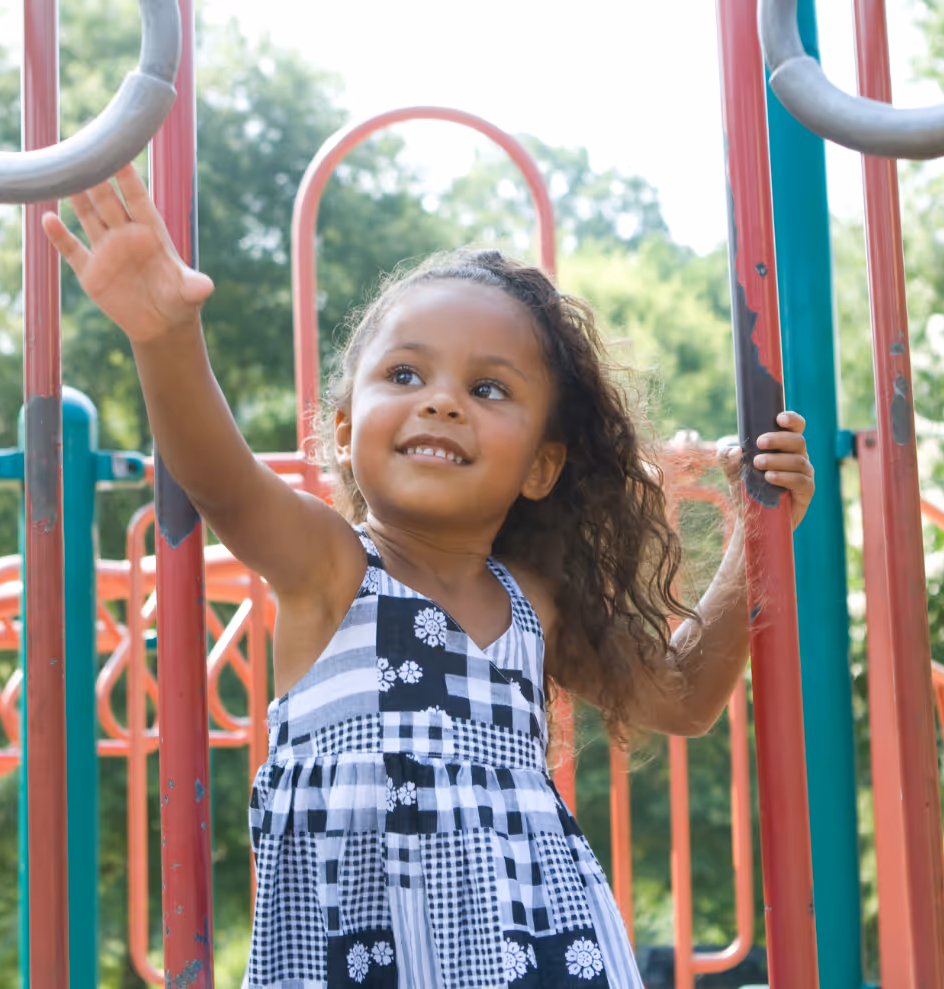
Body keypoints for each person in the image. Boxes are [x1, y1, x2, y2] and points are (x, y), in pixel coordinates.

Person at [43, 165, 815, 989]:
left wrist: (762, 535)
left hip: (539, 956)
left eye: (487, 388)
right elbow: (220, 479)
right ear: (343, 431)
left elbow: (682, 693)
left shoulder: (533, 604)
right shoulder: (332, 566)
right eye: (405, 375)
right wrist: (164, 335)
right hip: (364, 956)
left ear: (542, 466)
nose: (441, 402)